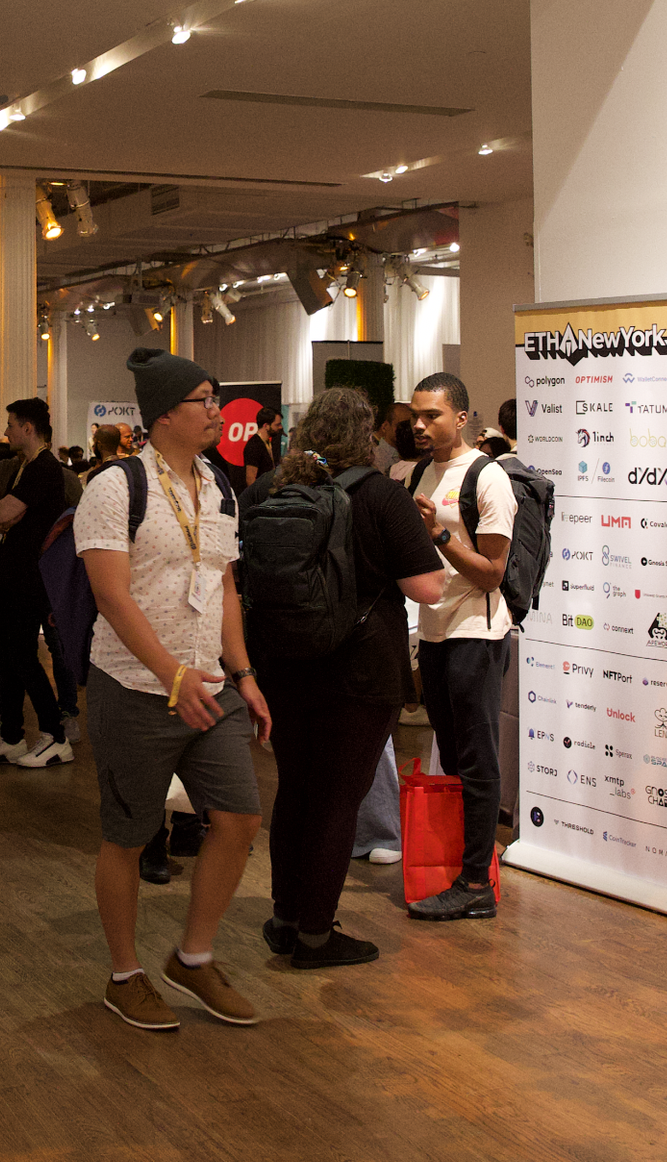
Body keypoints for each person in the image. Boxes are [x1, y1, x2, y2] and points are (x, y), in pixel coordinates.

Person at [76, 347, 270, 1031]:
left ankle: (193, 956)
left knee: (241, 817)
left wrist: (241, 672)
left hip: (210, 684)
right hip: (135, 685)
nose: (218, 411)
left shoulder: (218, 483)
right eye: (204, 400)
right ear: (165, 413)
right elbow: (111, 594)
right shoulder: (114, 487)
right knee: (129, 832)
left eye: (215, 397)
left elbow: (221, 582)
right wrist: (170, 673)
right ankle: (124, 973)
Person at [251, 386, 445, 968]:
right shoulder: (382, 495)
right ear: (366, 435)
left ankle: (286, 919)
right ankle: (316, 935)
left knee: (297, 790)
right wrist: (429, 539)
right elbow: (427, 588)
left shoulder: (269, 489)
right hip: (359, 671)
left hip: (283, 665)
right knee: (339, 801)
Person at [400, 372, 514, 921]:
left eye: (433, 416)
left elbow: (493, 574)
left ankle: (475, 883)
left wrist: (439, 536)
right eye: (416, 416)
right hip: (436, 629)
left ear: (463, 417)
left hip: (477, 629)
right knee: (451, 750)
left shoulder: (487, 478)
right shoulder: (423, 471)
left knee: (476, 756)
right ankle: (460, 866)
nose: (420, 425)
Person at [0, 398, 77, 770]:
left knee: (23, 657)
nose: (6, 431)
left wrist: (1, 518)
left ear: (28, 427)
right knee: (12, 657)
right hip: (16, 577)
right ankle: (11, 736)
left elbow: (1, 513)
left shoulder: (43, 469)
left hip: (29, 579)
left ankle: (54, 735)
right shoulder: (26, 468)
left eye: (11, 423)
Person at [240, 408, 281, 490]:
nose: (280, 427)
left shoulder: (268, 442)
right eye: (277, 425)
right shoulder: (254, 445)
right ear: (266, 426)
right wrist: (257, 499)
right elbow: (250, 477)